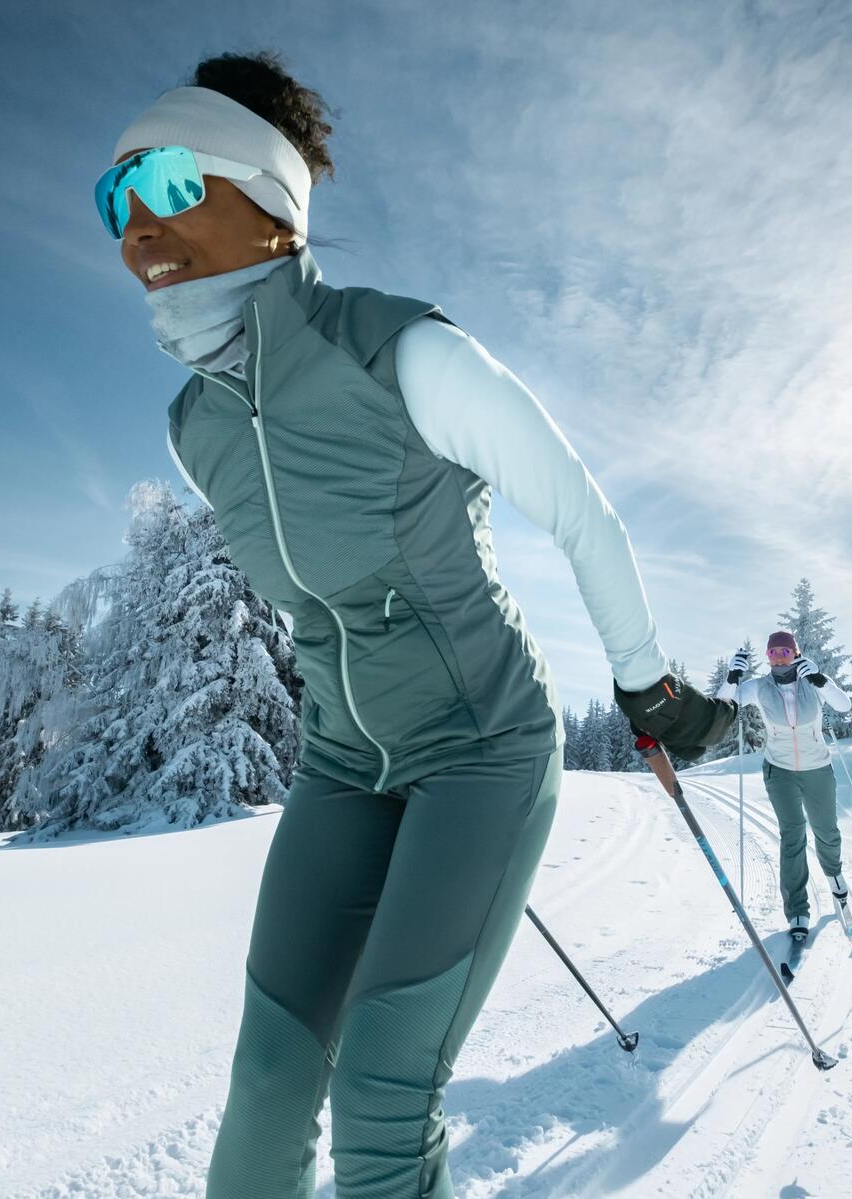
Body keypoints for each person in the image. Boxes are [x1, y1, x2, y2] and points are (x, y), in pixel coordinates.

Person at [96, 52, 734, 1199]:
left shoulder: (402, 352)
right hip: (343, 766)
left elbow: (579, 512)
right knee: (267, 1083)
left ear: (277, 206)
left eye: (173, 184)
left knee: (383, 1093)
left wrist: (649, 692)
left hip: (482, 752)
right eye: (115, 199)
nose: (138, 225)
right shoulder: (195, 426)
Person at [717, 631, 852, 944]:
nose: (779, 656)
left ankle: (834, 876)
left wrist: (822, 680)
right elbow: (723, 704)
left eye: (785, 651)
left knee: (827, 831)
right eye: (774, 652)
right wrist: (733, 677)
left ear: (796, 653)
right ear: (767, 657)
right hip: (780, 771)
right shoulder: (759, 687)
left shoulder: (812, 681)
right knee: (792, 836)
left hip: (817, 768)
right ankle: (797, 910)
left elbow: (844, 705)